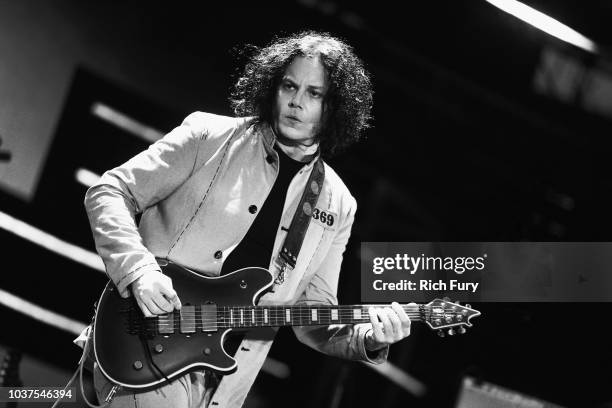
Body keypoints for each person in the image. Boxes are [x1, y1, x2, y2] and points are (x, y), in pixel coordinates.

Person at [83, 31, 412, 408]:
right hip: (143, 346)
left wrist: (370, 339)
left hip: (223, 389)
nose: (296, 101)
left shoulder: (338, 204)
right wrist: (139, 271)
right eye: (289, 85)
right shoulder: (210, 135)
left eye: (314, 93)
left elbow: (312, 318)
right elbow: (109, 191)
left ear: (336, 106)